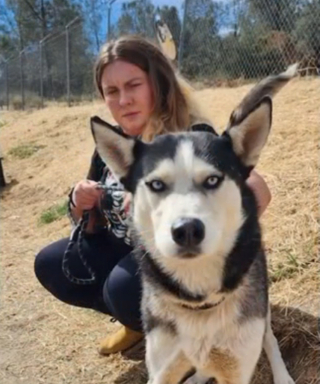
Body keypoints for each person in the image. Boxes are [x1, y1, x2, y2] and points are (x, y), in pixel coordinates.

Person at [34, 35, 271, 355]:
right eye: (112, 91)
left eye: (133, 85)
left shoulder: (192, 135)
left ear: (156, 84)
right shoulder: (113, 142)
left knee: (121, 288)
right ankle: (138, 323)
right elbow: (91, 224)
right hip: (129, 250)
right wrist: (80, 203)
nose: (123, 100)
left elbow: (258, 191)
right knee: (52, 264)